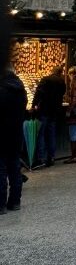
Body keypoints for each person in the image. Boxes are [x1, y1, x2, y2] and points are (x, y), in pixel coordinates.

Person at [0, 62, 27, 213]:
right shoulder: (20, 89)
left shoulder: (2, 90)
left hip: (2, 134)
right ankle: (15, 201)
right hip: (16, 134)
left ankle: (1, 204)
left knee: (1, 169)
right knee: (15, 169)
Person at [31, 66, 66, 168]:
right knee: (51, 134)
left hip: (44, 110)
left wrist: (34, 106)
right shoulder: (61, 82)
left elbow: (38, 93)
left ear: (52, 71)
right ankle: (51, 157)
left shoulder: (46, 80)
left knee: (40, 134)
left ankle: (40, 159)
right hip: (54, 111)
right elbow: (62, 94)